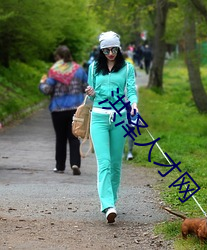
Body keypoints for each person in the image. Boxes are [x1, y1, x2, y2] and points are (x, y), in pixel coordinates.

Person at [85, 31, 138, 223]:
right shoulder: (93, 68)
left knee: (116, 164)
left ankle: (112, 201)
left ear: (119, 48)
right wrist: (90, 92)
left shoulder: (127, 68)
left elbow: (131, 91)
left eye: (114, 49)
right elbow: (91, 97)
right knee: (104, 163)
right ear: (101, 50)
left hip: (119, 119)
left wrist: (133, 104)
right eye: (106, 50)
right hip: (98, 117)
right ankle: (107, 205)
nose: (110, 53)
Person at [39, 45, 88, 175]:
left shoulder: (54, 71)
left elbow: (47, 90)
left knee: (60, 138)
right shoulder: (79, 70)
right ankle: (75, 163)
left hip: (58, 109)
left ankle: (60, 166)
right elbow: (86, 87)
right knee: (74, 137)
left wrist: (42, 83)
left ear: (58, 57)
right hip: (75, 109)